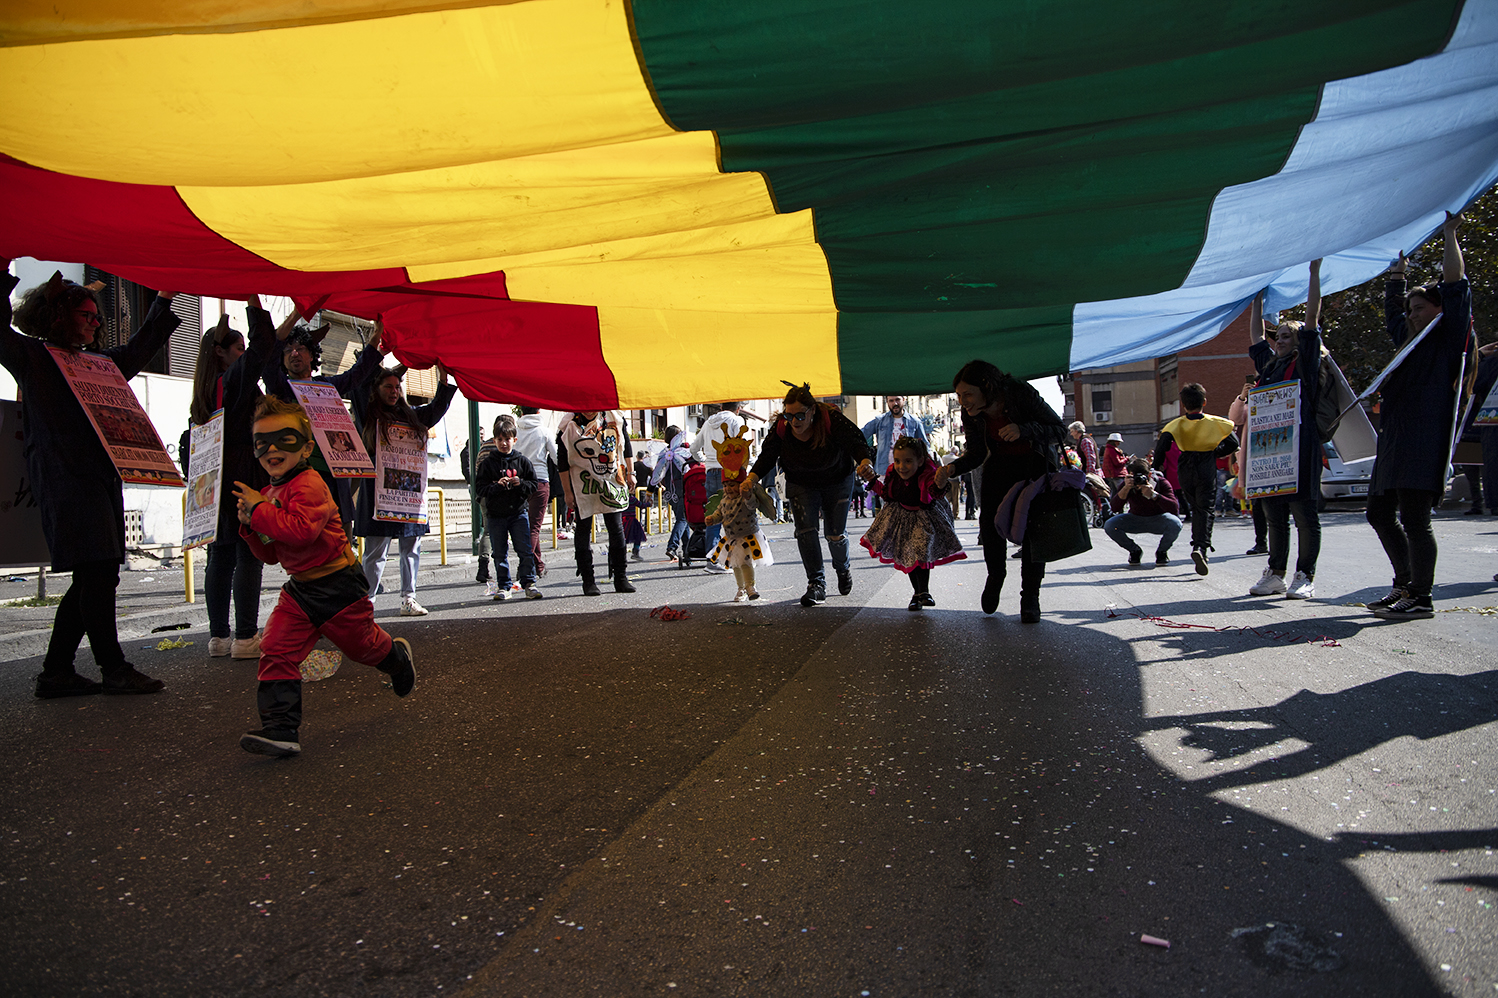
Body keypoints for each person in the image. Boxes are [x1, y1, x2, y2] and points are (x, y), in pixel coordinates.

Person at [3, 263, 177, 698]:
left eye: (98, 316)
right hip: (65, 479)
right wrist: (3, 270)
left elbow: (140, 347)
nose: (97, 323)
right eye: (87, 315)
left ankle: (56, 672)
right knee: (97, 574)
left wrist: (164, 297)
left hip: (101, 478)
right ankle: (113, 668)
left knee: (95, 576)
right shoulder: (33, 357)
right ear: (57, 315)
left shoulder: (100, 364)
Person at [232, 396, 416, 757]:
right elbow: (271, 555)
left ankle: (396, 658)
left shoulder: (309, 484)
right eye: (262, 442)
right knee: (276, 648)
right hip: (300, 590)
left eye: (284, 439)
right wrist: (251, 526)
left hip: (338, 588)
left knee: (364, 647)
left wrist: (260, 513)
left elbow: (302, 532)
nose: (272, 449)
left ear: (306, 447)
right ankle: (280, 728)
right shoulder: (267, 494)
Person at [1366, 213, 1472, 619]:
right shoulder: (1407, 343)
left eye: (1420, 307)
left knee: (1415, 518)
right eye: (1410, 308)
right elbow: (1393, 312)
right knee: (1378, 513)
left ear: (1440, 310)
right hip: (1394, 440)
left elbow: (1456, 285)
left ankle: (1421, 597)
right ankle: (1404, 583)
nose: (1411, 314)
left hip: (1424, 439)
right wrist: (1397, 274)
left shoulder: (1448, 338)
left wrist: (1449, 234)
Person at [935, 361, 1066, 622]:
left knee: (1033, 532)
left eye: (967, 394)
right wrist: (953, 468)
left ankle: (1030, 597)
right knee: (989, 524)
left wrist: (1024, 430)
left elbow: (1059, 430)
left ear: (986, 386)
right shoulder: (971, 413)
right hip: (999, 466)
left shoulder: (1019, 392)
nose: (962, 402)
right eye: (958, 396)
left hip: (1034, 466)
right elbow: (977, 453)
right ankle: (996, 575)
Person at [190, 304, 273, 659]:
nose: (244, 354)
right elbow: (264, 343)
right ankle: (245, 636)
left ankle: (219, 636)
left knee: (219, 555)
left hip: (209, 477)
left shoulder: (205, 388)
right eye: (239, 348)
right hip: (241, 473)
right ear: (221, 353)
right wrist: (253, 302)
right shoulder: (235, 381)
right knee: (248, 553)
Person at [743, 382, 872, 607]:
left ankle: (842, 568)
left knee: (835, 534)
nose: (794, 421)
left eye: (800, 415)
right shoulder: (782, 427)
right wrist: (751, 479)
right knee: (805, 531)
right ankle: (816, 583)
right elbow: (768, 455)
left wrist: (865, 462)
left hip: (837, 479)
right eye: (789, 415)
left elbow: (856, 441)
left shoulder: (831, 419)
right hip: (801, 482)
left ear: (812, 411)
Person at [1242, 261, 1325, 600]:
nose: (1280, 340)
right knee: (1274, 515)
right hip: (1270, 451)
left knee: (1304, 514)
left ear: (1300, 341)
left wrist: (1313, 275)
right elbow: (1256, 336)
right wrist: (1257, 299)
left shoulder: (1305, 363)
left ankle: (1304, 575)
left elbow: (1312, 319)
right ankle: (1275, 574)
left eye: (1287, 336)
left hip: (1301, 448)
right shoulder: (1269, 366)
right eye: (1278, 336)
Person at [351, 363, 457, 616]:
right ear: (376, 389)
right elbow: (359, 382)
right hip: (379, 495)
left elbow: (436, 409)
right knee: (375, 552)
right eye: (388, 386)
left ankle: (409, 599)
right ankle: (367, 603)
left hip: (409, 495)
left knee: (411, 549)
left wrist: (443, 380)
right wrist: (405, 363)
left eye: (397, 387)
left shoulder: (411, 416)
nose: (394, 391)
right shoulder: (369, 414)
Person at [858, 435, 966, 610]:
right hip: (902, 518)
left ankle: (923, 591)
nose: (902, 466)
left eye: (908, 461)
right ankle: (918, 593)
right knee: (909, 554)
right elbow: (886, 493)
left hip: (924, 518)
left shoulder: (927, 474)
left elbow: (933, 490)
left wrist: (939, 483)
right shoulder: (893, 474)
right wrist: (871, 480)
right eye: (898, 461)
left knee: (921, 550)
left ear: (920, 460)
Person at [1151, 383, 1238, 576]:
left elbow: (1161, 448)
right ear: (1204, 402)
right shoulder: (1217, 422)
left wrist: (1156, 467)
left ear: (1183, 404)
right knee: (1205, 509)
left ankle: (1199, 545)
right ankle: (1200, 547)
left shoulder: (1175, 425)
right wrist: (1216, 452)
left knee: (1195, 506)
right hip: (1206, 464)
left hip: (1185, 466)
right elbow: (1233, 443)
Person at [557, 409, 637, 596]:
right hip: (582, 484)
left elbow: (625, 445)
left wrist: (631, 473)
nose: (589, 410)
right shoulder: (568, 426)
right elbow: (562, 462)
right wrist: (568, 492)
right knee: (583, 528)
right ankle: (588, 580)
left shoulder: (614, 418)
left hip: (611, 479)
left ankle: (621, 577)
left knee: (616, 527)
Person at [475, 414, 542, 600]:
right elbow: (480, 488)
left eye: (507, 439)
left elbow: (533, 485)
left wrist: (520, 483)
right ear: (494, 440)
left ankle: (529, 583)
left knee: (525, 550)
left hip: (518, 513)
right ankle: (504, 586)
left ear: (515, 440)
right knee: (499, 553)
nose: (504, 443)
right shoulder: (488, 463)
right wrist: (496, 486)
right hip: (496, 515)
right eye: (499, 439)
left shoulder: (522, 461)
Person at [704, 425, 773, 601]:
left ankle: (751, 587)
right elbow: (719, 513)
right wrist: (712, 518)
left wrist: (748, 495)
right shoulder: (724, 499)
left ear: (741, 485)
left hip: (748, 536)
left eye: (732, 485)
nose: (729, 489)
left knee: (746, 562)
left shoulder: (745, 497)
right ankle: (740, 588)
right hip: (731, 537)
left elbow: (752, 505)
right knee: (735, 564)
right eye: (726, 485)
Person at [691, 402, 746, 572]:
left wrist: (705, 460)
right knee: (734, 515)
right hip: (730, 472)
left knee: (714, 514)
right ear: (738, 409)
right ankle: (736, 557)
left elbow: (694, 448)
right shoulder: (737, 421)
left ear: (721, 408)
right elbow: (742, 447)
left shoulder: (708, 423)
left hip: (710, 472)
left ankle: (712, 559)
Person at [1102, 458, 1183, 566]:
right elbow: (1114, 508)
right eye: (1135, 477)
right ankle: (1134, 550)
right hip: (1135, 518)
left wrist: (1154, 495)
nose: (1138, 480)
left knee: (1176, 523)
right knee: (1110, 525)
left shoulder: (1161, 482)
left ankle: (1162, 552)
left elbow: (1174, 508)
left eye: (1142, 477)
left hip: (1158, 519)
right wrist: (1126, 488)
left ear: (1149, 475)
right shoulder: (1128, 485)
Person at [862, 396, 931, 508]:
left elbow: (925, 445)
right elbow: (861, 434)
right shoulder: (879, 420)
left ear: (904, 400)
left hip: (908, 470)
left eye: (897, 400)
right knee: (887, 503)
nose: (895, 403)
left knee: (907, 500)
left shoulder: (914, 421)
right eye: (891, 401)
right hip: (884, 470)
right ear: (887, 402)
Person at [513, 407, 557, 577]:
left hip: (519, 481)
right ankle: (524, 566)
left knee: (528, 525)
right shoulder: (544, 431)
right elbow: (556, 457)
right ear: (539, 412)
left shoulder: (516, 432)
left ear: (521, 413)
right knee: (534, 527)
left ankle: (538, 565)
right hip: (539, 479)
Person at [1228, 375, 1270, 554]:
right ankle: (1261, 542)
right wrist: (1242, 397)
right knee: (1258, 504)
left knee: (1276, 506)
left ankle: (1278, 544)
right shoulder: (1249, 406)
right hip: (1255, 461)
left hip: (1276, 459)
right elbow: (1234, 419)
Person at [654, 425, 691, 560]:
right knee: (683, 519)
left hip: (670, 490)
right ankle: (672, 546)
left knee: (682, 519)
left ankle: (687, 551)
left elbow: (657, 472)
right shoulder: (683, 451)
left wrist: (650, 490)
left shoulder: (663, 453)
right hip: (683, 488)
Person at [1101, 433, 1128, 497]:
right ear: (1114, 441)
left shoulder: (1108, 449)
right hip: (1116, 474)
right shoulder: (1112, 450)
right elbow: (1118, 463)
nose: (1119, 443)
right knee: (1122, 492)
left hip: (1112, 474)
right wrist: (1126, 459)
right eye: (1118, 441)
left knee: (1114, 493)